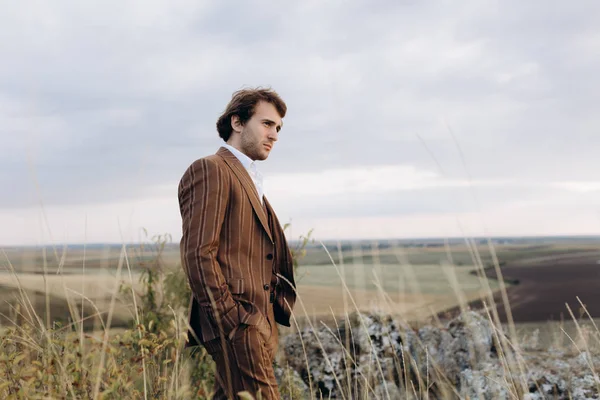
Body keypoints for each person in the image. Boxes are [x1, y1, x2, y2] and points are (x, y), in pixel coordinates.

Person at [178, 87, 296, 399]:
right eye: (267, 124)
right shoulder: (211, 169)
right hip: (239, 323)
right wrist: (234, 321)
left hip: (258, 324)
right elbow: (198, 253)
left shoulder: (252, 180)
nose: (274, 135)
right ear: (238, 122)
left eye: (278, 128)